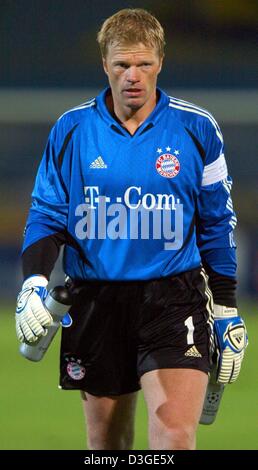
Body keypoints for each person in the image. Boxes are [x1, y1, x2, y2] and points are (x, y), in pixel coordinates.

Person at [15, 8, 248, 450]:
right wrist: (34, 281)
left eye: (143, 63)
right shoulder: (71, 130)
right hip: (95, 298)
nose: (133, 76)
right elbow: (47, 215)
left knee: (174, 438)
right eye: (122, 64)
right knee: (106, 445)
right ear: (105, 64)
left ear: (161, 61)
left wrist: (226, 307)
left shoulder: (198, 128)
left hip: (173, 297)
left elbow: (217, 224)